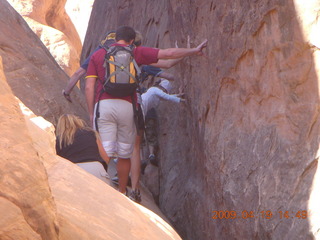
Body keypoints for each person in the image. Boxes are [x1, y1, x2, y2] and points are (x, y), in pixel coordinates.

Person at [85, 26, 207, 200]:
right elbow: (169, 54)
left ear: (114, 38)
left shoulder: (98, 55)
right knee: (129, 151)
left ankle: (99, 184)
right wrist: (193, 51)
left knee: (104, 147)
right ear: (132, 40)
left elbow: (89, 86)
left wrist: (91, 112)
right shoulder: (136, 52)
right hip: (129, 106)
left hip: (104, 104)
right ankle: (125, 191)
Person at [62, 31, 116, 102]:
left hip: (103, 99)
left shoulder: (99, 52)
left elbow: (78, 73)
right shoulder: (128, 52)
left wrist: (66, 92)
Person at [55, 114, 110, 181]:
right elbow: (106, 158)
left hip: (75, 172)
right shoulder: (91, 133)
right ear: (77, 121)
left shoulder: (58, 141)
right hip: (96, 168)